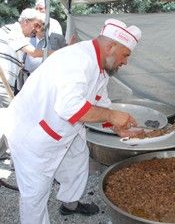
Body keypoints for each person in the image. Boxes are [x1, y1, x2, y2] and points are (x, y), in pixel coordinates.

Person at [4, 18, 142, 224]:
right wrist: (113, 116)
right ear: (112, 46)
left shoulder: (101, 65)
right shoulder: (76, 60)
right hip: (34, 132)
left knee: (78, 156)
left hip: (66, 126)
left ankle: (70, 203)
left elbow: (100, 100)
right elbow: (69, 107)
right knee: (35, 194)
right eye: (125, 55)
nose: (125, 62)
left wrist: (115, 126)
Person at [0, 8, 45, 107]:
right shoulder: (14, 31)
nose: (36, 30)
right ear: (26, 22)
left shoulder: (19, 37)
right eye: (36, 25)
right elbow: (33, 53)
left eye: (40, 28)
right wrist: (61, 52)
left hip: (6, 88)